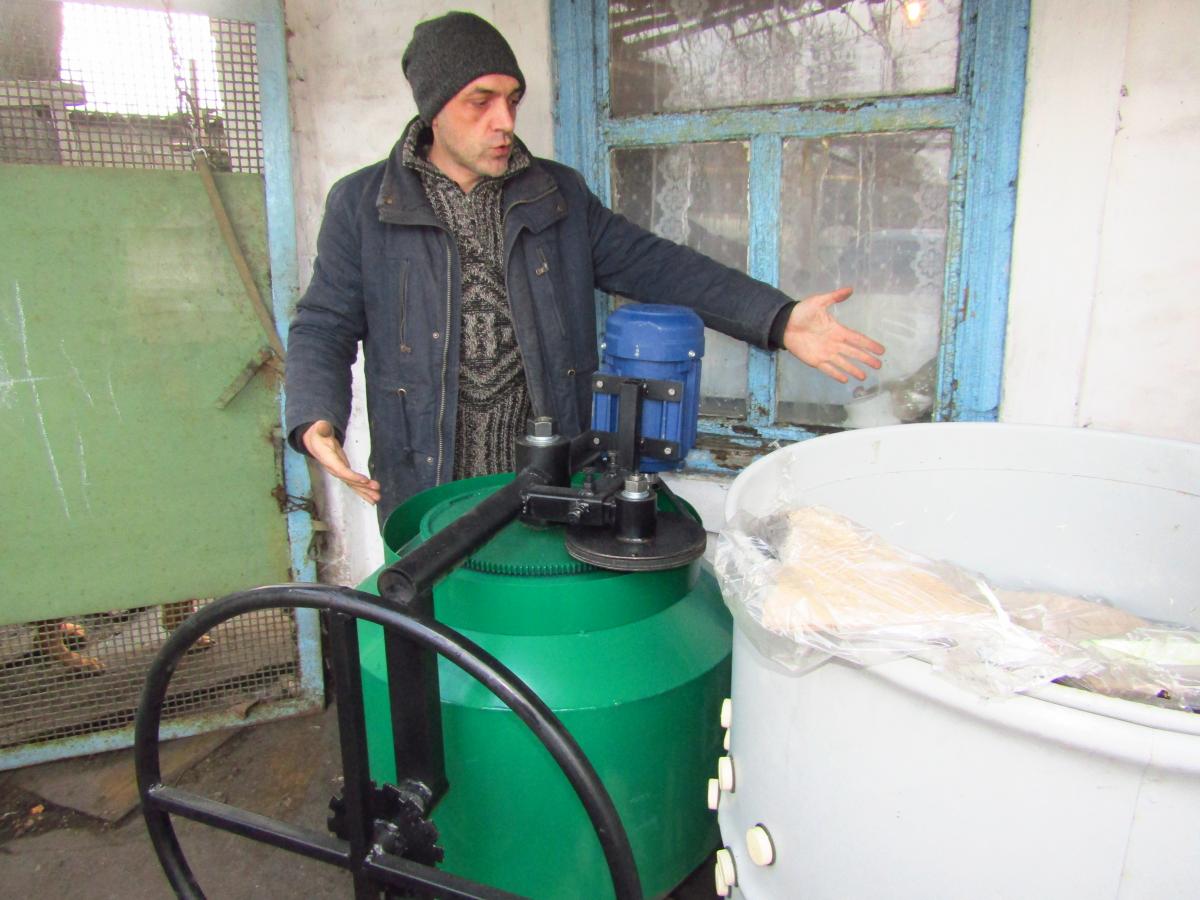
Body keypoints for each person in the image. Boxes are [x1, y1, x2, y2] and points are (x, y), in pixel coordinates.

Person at [286, 12, 884, 523]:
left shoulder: (555, 195)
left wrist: (777, 318)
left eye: (512, 100)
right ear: (433, 108)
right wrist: (316, 416)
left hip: (549, 482)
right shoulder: (364, 205)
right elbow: (324, 324)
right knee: (434, 623)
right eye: (481, 101)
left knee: (543, 624)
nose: (504, 121)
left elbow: (658, 265)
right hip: (427, 486)